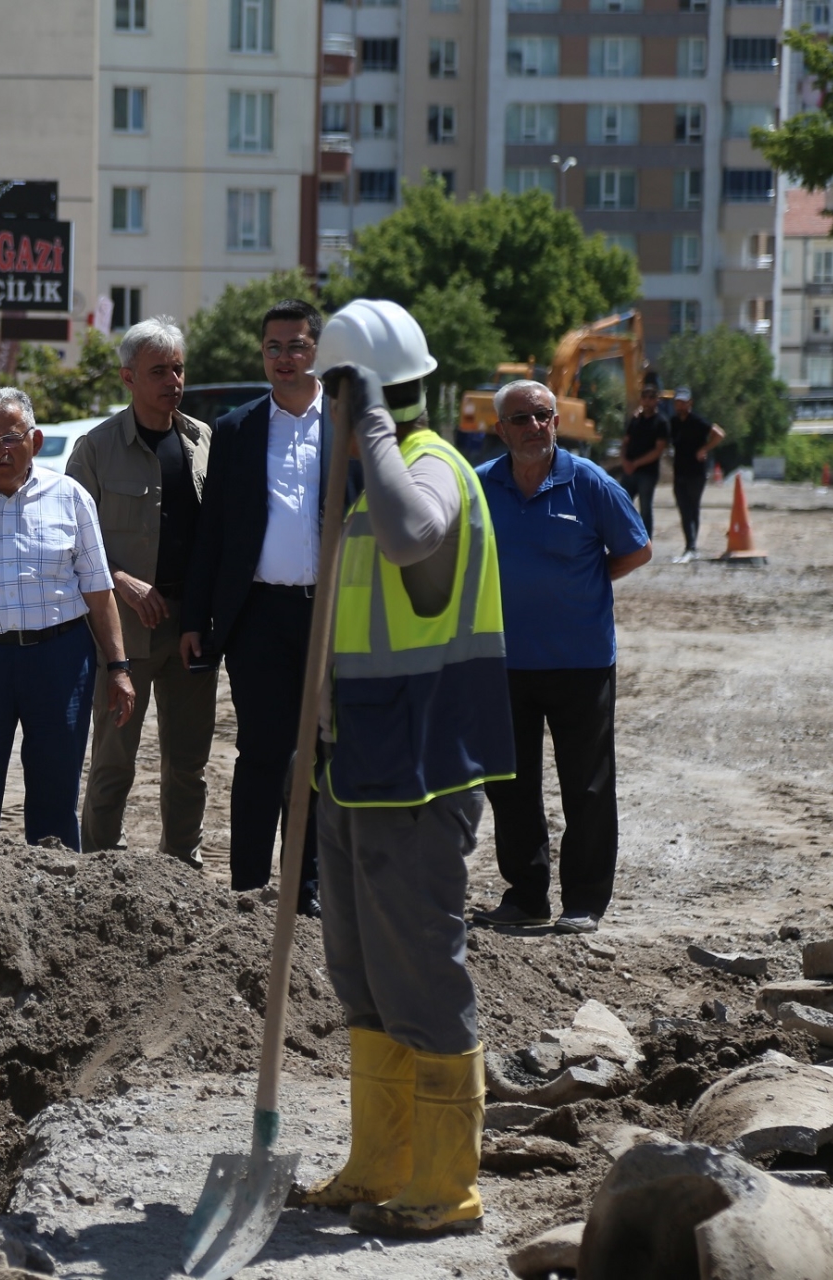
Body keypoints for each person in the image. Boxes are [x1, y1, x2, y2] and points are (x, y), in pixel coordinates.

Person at [296, 300, 515, 1241]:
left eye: (331, 394)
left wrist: (374, 424)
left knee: (422, 974)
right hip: (358, 765)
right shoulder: (365, 482)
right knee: (363, 977)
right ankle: (379, 1163)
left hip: (421, 772)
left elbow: (414, 540)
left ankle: (446, 1179)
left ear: (358, 391)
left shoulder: (424, 471)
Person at [0, 388, 136, 848]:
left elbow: (98, 589)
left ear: (33, 439)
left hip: (59, 660)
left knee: (56, 796)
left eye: (10, 437)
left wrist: (119, 667)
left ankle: (56, 903)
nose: (0, 450)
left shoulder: (70, 497)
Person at [472, 381, 651, 934]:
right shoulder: (478, 486)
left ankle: (584, 900)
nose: (533, 428)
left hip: (581, 661)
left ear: (557, 422)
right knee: (510, 783)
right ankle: (526, 895)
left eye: (542, 416)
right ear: (500, 429)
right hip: (503, 662)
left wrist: (586, 581)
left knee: (587, 784)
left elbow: (636, 549)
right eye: (520, 419)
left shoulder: (590, 482)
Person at [180, 298, 333, 910]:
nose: (284, 358)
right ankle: (246, 883)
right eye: (274, 348)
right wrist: (197, 618)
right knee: (263, 751)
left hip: (331, 616)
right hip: (258, 618)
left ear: (316, 349)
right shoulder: (240, 429)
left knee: (322, 752)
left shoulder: (349, 423)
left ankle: (309, 885)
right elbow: (210, 531)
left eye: (295, 346)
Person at [67, 317, 216, 869]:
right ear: (129, 377)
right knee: (113, 757)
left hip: (191, 626)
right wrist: (123, 581)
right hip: (123, 628)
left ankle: (183, 864)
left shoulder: (203, 442)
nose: (172, 381)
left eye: (178, 369)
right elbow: (70, 540)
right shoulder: (97, 449)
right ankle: (100, 864)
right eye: (159, 371)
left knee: (188, 761)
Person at [667, 387, 725, 562]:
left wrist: (704, 448)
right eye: (678, 402)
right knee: (684, 510)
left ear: (690, 403)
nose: (680, 405)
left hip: (696, 473)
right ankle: (689, 546)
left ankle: (691, 547)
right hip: (679, 473)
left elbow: (719, 434)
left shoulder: (698, 421)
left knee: (692, 509)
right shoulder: (673, 422)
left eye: (683, 402)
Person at [618, 384, 668, 540]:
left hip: (647, 472)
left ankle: (646, 541)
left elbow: (658, 450)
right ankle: (624, 538)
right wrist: (624, 460)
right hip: (629, 470)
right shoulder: (635, 420)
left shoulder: (661, 422)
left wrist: (636, 463)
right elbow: (625, 442)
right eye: (645, 397)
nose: (647, 401)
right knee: (622, 504)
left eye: (651, 397)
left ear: (657, 400)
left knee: (645, 508)